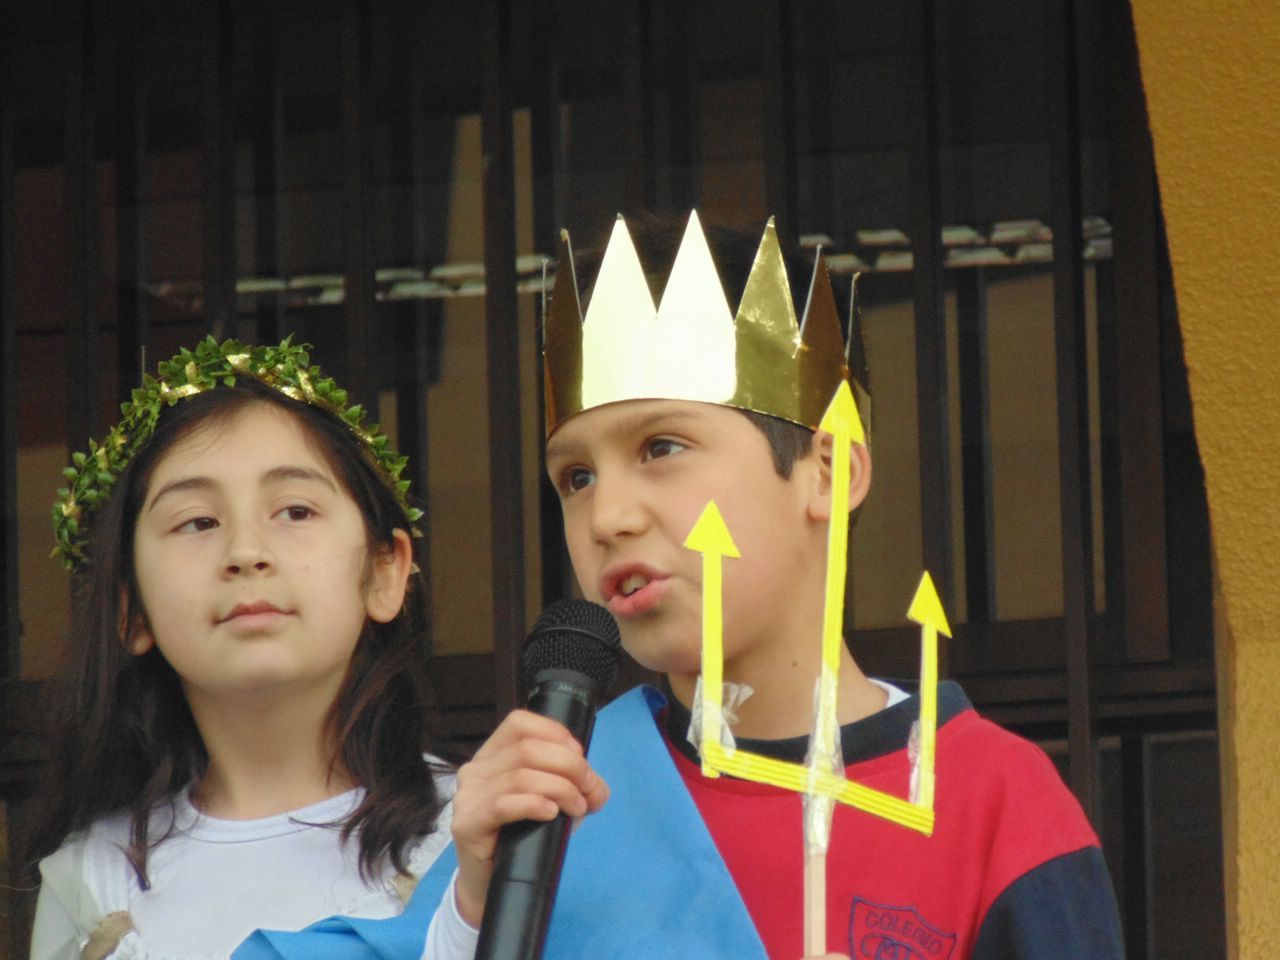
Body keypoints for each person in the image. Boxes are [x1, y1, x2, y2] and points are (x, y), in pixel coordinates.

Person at [437, 211, 1125, 959]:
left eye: (662, 447)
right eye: (576, 478)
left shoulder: (994, 802)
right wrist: (468, 910)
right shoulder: (550, 804)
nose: (607, 517)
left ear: (828, 471)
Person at [27, 338, 470, 960]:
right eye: (197, 522)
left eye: (295, 510)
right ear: (133, 609)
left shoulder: (477, 832)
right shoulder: (92, 885)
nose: (245, 552)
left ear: (384, 572)